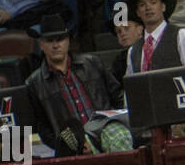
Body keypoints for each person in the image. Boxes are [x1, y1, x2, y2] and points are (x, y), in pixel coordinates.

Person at [26, 13, 130, 157]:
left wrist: (120, 124)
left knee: (119, 140)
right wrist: (68, 146)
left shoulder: (93, 63)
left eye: (60, 39)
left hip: (108, 130)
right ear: (41, 45)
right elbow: (42, 127)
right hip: (73, 144)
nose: (56, 45)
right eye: (50, 40)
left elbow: (117, 96)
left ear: (68, 41)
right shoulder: (34, 83)